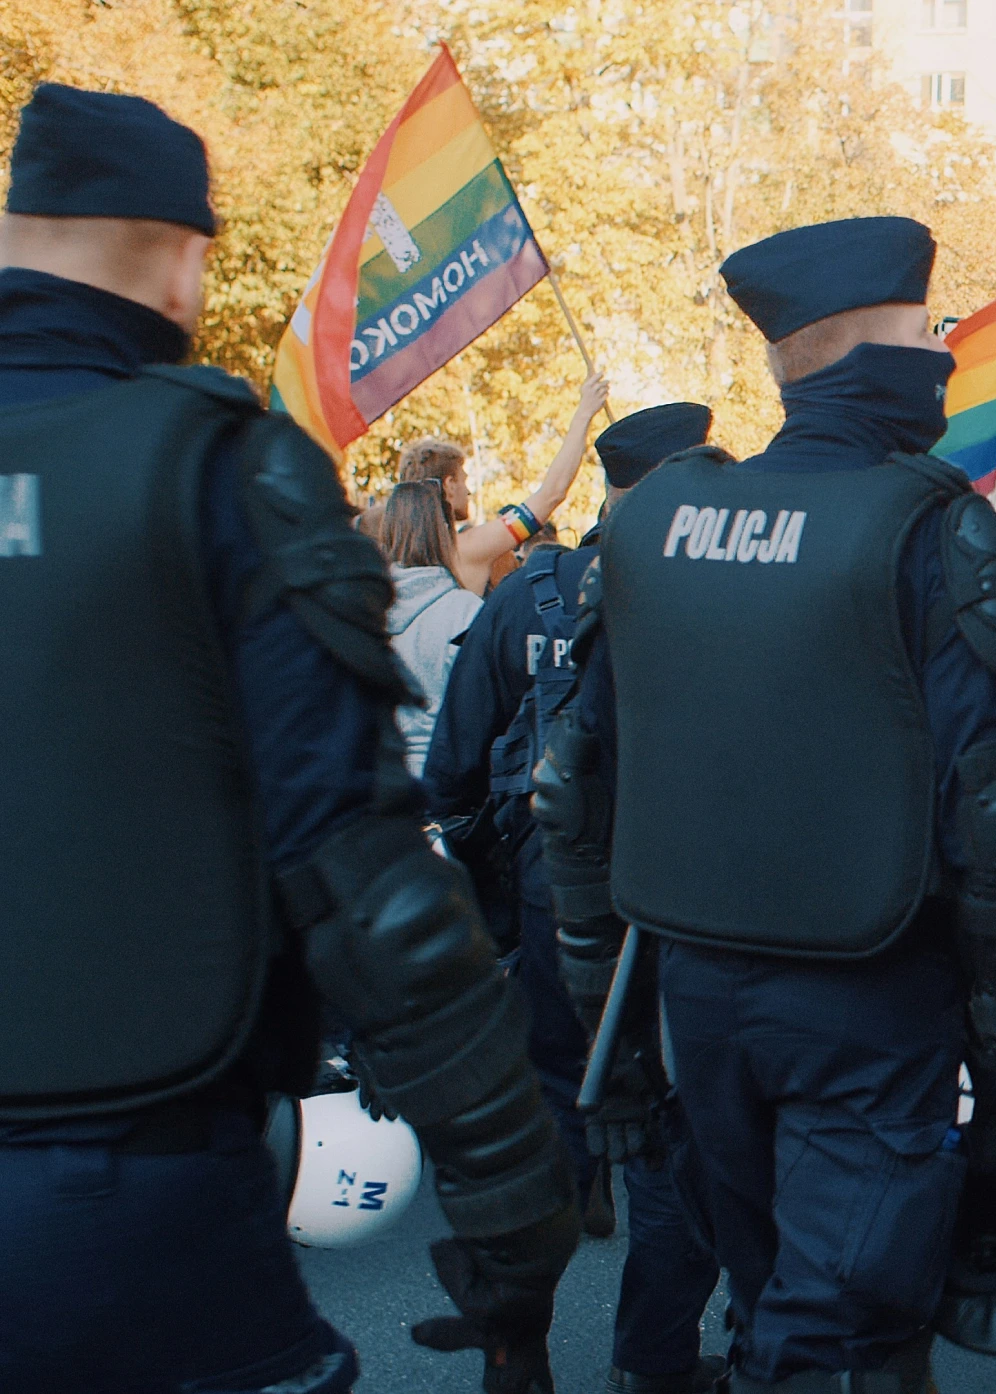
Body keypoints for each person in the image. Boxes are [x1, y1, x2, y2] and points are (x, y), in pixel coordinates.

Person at [0, 83, 577, 1394]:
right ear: (184, 256)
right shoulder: (215, 467)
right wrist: (507, 1179)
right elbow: (355, 867)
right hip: (133, 1184)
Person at [532, 216, 996, 1394]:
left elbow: (574, 794)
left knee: (780, 1296)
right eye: (926, 330)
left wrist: (610, 1038)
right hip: (868, 1004)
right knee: (838, 1337)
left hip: (696, 1002)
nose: (942, 353)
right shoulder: (935, 530)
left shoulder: (651, 524)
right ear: (870, 349)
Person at [423, 402, 726, 1394]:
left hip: (558, 904)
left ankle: (519, 1344)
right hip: (681, 906)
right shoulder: (718, 589)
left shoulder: (536, 591)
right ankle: (655, 1359)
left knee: (549, 1123)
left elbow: (456, 769)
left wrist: (501, 909)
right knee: (672, 1141)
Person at [395, 369, 609, 594]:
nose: (468, 492)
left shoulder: (395, 561)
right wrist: (584, 412)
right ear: (448, 486)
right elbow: (551, 494)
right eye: (464, 480)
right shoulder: (468, 548)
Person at [374, 477, 486, 776]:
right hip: (450, 784)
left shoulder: (368, 611)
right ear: (445, 533)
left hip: (387, 782)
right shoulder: (466, 612)